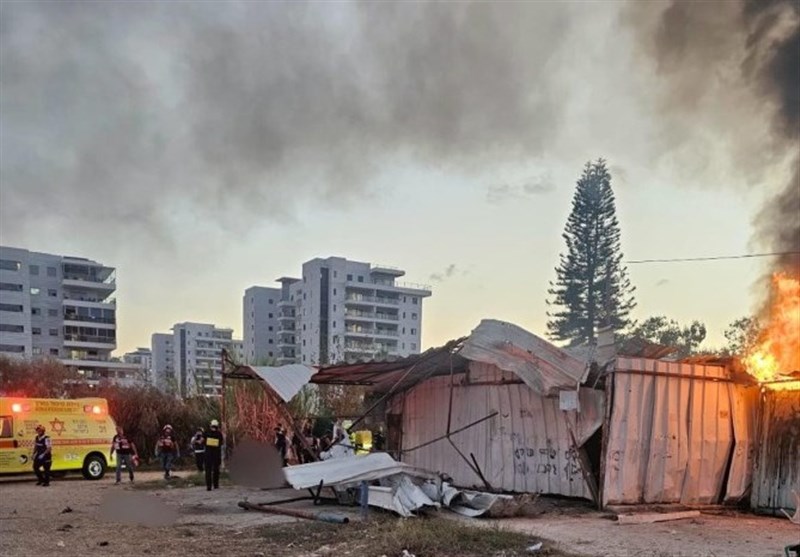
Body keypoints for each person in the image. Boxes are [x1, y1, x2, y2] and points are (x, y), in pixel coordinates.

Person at [203, 419, 224, 491]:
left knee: (208, 470)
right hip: (216, 454)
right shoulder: (219, 434)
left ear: (210, 425)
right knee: (216, 470)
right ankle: (216, 485)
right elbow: (221, 443)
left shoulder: (206, 432)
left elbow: (202, 441)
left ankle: (209, 486)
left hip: (208, 454)